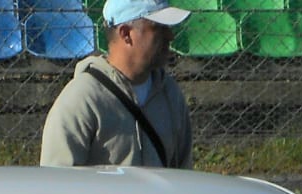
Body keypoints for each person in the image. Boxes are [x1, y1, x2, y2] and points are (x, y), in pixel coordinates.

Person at [40, 0, 194, 171]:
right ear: (126, 33)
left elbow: (183, 174)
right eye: (158, 28)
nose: (170, 36)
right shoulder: (82, 99)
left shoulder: (170, 93)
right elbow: (59, 183)